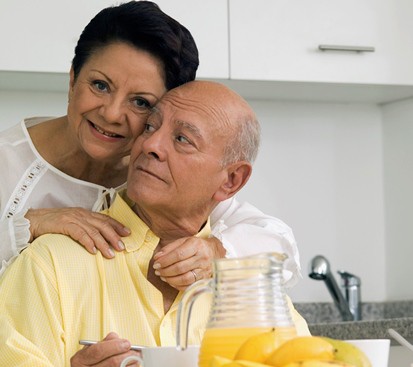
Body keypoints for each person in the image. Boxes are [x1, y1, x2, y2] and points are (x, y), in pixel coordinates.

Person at [0, 80, 309, 366]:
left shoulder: (258, 293)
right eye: (149, 127)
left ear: (231, 180)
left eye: (182, 139)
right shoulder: (49, 263)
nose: (149, 145)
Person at [0, 0, 300, 288]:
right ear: (72, 79)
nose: (112, 113)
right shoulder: (6, 161)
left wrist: (216, 252)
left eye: (141, 102)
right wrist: (29, 224)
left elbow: (281, 250)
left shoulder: (158, 176)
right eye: (100, 85)